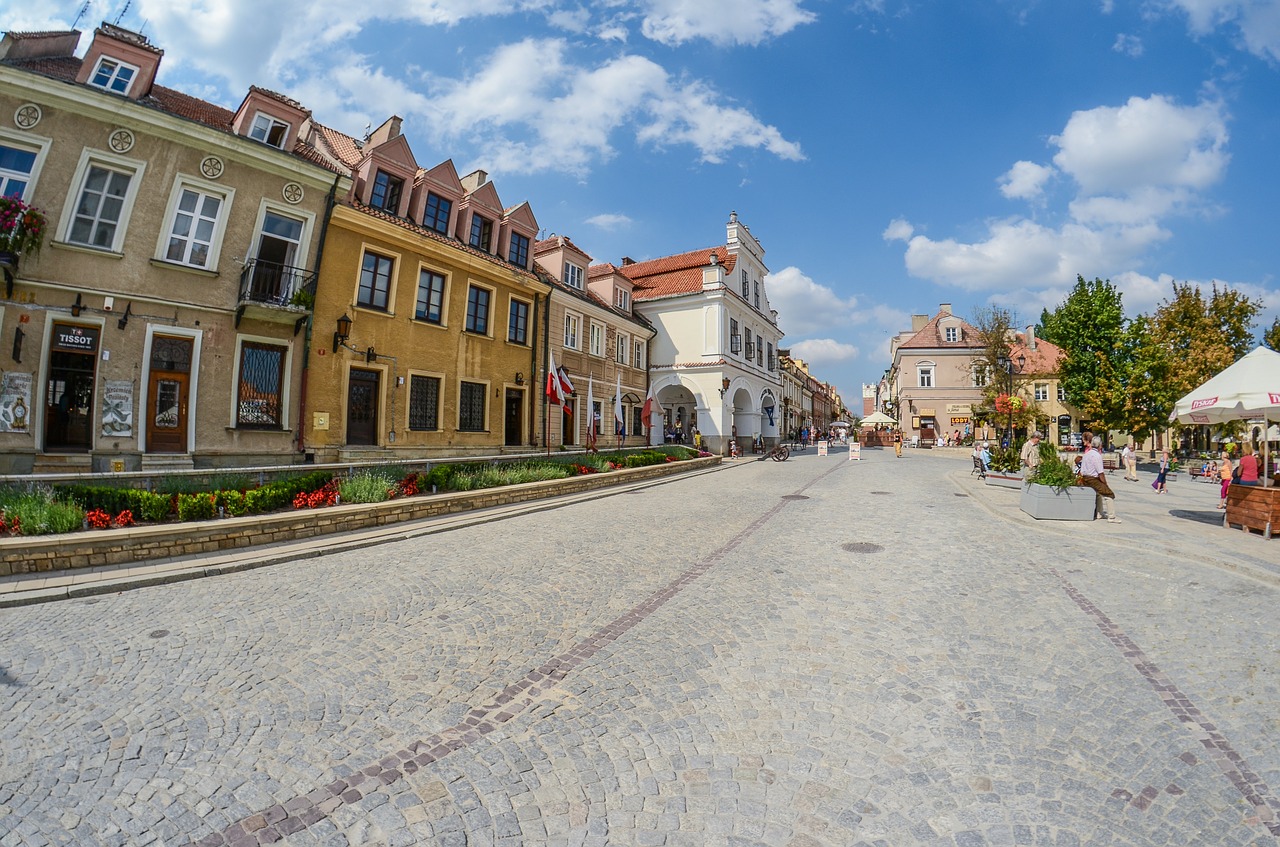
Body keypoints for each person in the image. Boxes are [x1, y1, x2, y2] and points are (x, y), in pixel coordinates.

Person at [1079, 436, 1121, 523]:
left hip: (1085, 478)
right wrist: (1105, 483)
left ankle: (1100, 513)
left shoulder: (1086, 454)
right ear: (1100, 445)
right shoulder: (1097, 456)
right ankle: (1111, 517)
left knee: (1098, 494)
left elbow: (1082, 469)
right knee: (1109, 494)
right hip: (1093, 479)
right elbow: (1100, 472)